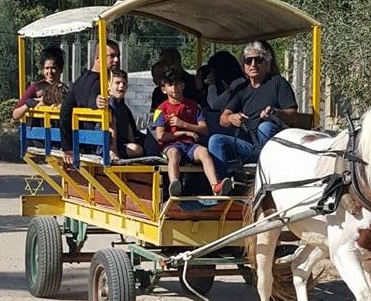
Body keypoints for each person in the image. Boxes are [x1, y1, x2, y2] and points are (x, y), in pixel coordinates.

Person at [208, 41, 298, 179]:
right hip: (251, 146)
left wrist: (275, 112)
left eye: (259, 60)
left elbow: (292, 115)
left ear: (267, 64)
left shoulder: (277, 83)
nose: (253, 64)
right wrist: (232, 118)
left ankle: (267, 177)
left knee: (265, 127)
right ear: (243, 66)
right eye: (248, 61)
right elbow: (223, 118)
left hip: (274, 146)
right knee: (215, 140)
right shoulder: (241, 89)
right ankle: (223, 186)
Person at [153, 67, 231, 197]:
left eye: (177, 84)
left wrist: (184, 125)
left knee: (204, 152)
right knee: (174, 153)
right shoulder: (160, 109)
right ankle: (175, 186)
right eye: (170, 85)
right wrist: (183, 133)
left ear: (183, 85)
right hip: (171, 146)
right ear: (164, 89)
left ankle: (215, 187)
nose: (174, 88)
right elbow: (160, 136)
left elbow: (204, 129)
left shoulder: (194, 106)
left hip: (190, 146)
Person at [59, 39, 121, 164]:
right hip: (97, 144)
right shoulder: (98, 82)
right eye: (112, 56)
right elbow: (91, 97)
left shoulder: (80, 80)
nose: (117, 60)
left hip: (84, 141)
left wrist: (67, 146)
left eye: (118, 56)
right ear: (98, 58)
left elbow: (65, 111)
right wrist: (96, 101)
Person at [96, 69, 144, 160]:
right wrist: (114, 151)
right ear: (109, 85)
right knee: (137, 149)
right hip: (107, 147)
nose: (121, 86)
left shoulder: (122, 106)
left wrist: (133, 141)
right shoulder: (110, 104)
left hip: (121, 143)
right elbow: (112, 127)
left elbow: (128, 125)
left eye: (124, 84)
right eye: (117, 83)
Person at [12, 46, 68, 120]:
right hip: (38, 130)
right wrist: (28, 105)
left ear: (60, 69)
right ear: (43, 70)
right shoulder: (36, 88)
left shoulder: (65, 90)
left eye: (53, 68)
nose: (50, 72)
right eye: (47, 68)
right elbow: (15, 115)